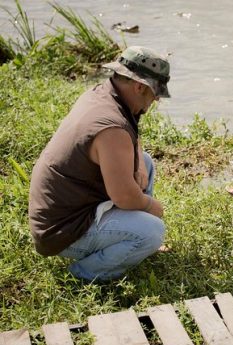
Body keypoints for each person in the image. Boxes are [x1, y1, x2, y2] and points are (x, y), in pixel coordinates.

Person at [29, 46, 170, 282]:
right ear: (139, 87)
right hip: (61, 232)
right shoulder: (112, 128)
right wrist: (153, 208)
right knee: (153, 231)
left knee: (144, 161)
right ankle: (83, 275)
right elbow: (125, 197)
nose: (156, 99)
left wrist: (137, 162)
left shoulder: (103, 95)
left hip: (68, 209)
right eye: (155, 93)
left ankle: (130, 235)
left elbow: (129, 132)